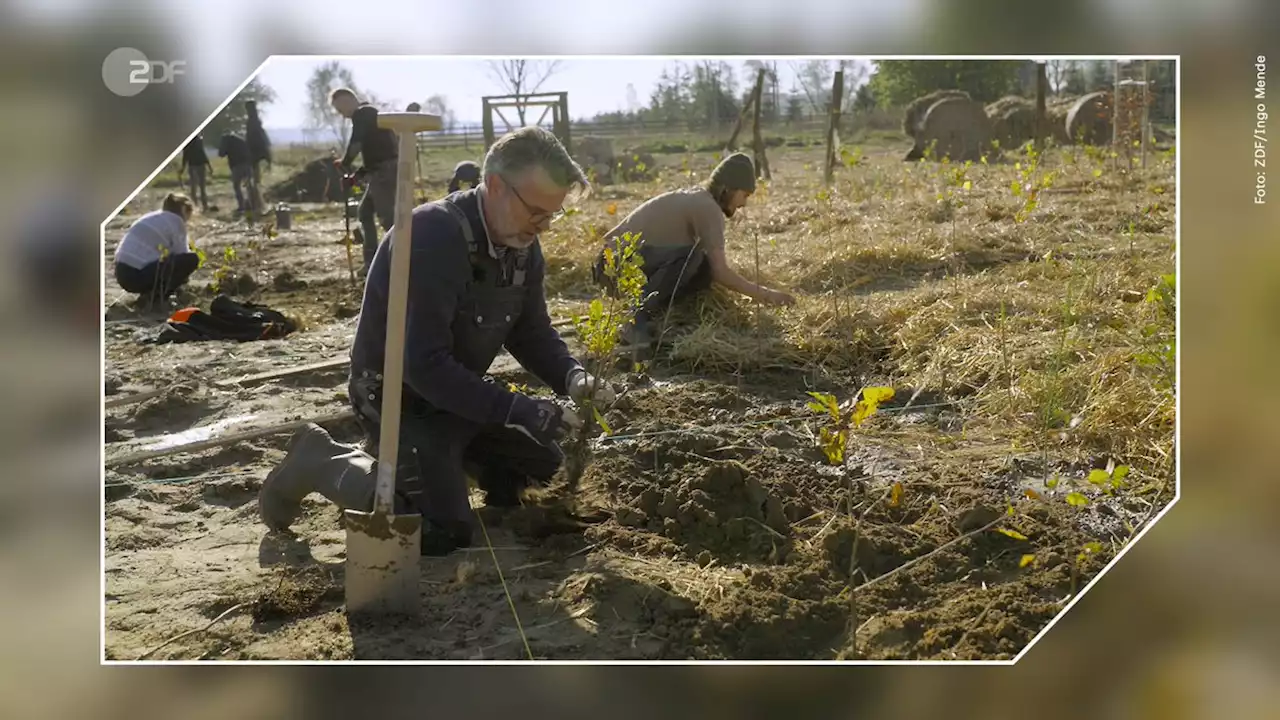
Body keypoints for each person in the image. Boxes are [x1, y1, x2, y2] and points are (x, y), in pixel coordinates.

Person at [258, 126, 615, 556]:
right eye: (536, 212)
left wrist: (572, 376)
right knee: (438, 529)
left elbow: (532, 332)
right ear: (496, 185)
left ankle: (444, 465)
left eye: (551, 215)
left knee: (545, 474)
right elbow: (423, 364)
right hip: (399, 399)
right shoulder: (432, 235)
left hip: (458, 397)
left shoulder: (521, 244)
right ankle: (321, 460)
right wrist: (518, 409)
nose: (543, 227)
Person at [594, 152, 795, 352]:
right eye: (744, 195)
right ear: (727, 189)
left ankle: (659, 317)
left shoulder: (700, 199)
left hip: (623, 265)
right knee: (692, 258)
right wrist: (767, 296)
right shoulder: (708, 207)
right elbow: (721, 272)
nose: (744, 203)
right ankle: (633, 323)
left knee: (702, 267)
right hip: (612, 267)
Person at [330, 87, 399, 274]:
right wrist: (356, 177)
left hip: (384, 173)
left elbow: (356, 143)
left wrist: (345, 162)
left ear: (346, 101)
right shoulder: (369, 114)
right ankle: (372, 262)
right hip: (381, 170)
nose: (342, 115)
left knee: (388, 219)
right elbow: (375, 153)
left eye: (339, 109)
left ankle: (402, 260)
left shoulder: (363, 113)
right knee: (365, 212)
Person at [113, 193, 201, 305]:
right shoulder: (176, 221)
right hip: (137, 275)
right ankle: (157, 299)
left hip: (122, 274)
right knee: (192, 259)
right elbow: (182, 256)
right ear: (185, 210)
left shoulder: (152, 217)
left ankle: (149, 295)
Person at [245, 100, 272, 213]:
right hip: (256, 152)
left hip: (254, 153)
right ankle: (258, 204)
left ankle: (258, 205)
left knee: (255, 181)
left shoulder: (252, 122)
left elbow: (254, 138)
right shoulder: (255, 121)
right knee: (255, 180)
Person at [217, 132, 254, 214]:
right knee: (249, 186)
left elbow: (221, 154)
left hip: (237, 166)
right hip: (248, 165)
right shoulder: (241, 140)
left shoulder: (226, 141)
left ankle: (242, 206)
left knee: (237, 186)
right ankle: (252, 204)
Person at [177, 134, 211, 211]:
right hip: (201, 165)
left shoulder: (187, 142)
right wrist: (209, 166)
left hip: (193, 166)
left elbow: (185, 156)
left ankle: (195, 206)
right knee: (202, 187)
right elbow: (203, 154)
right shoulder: (199, 140)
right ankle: (204, 205)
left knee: (193, 187)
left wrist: (183, 168)